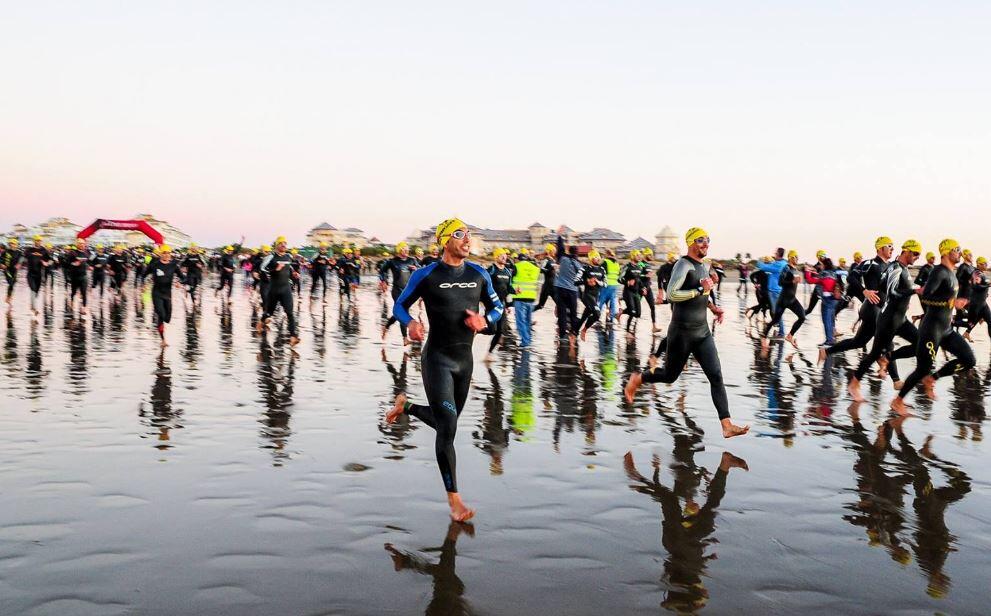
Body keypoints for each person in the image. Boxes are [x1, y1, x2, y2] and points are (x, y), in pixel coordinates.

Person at [385, 218, 503, 521]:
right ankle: (455, 500)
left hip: (464, 361)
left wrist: (485, 321)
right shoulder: (426, 275)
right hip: (437, 359)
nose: (467, 240)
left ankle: (406, 405)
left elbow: (498, 306)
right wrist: (410, 323)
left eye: (469, 235)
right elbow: (399, 305)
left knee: (444, 423)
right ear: (444, 241)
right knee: (448, 427)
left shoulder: (479, 273)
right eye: (460, 234)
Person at [624, 227, 749, 438]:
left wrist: (712, 307)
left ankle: (726, 425)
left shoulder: (704, 266)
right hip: (681, 333)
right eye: (701, 240)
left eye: (708, 240)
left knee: (716, 375)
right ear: (691, 243)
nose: (705, 243)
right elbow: (672, 294)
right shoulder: (683, 265)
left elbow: (703, 293)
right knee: (669, 376)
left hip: (702, 332)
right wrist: (700, 289)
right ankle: (638, 379)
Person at [890, 239, 976, 414]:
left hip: (946, 329)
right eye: (956, 249)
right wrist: (951, 302)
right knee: (923, 368)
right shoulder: (939, 272)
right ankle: (897, 401)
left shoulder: (953, 273)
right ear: (946, 252)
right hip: (931, 329)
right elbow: (926, 297)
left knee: (969, 360)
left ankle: (932, 379)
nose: (959, 252)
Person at [848, 240, 922, 401]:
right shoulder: (895, 268)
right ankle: (854, 383)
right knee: (873, 353)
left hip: (900, 319)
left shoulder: (903, 269)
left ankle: (887, 358)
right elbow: (893, 292)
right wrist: (914, 291)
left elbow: (885, 285)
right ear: (907, 251)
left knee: (919, 344)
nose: (917, 257)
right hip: (888, 318)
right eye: (915, 254)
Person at [819, 237, 893, 362]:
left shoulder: (890, 267)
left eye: (892, 246)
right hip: (872, 309)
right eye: (889, 246)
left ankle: (827, 352)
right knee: (887, 341)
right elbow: (851, 277)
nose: (892, 249)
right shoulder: (870, 264)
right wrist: (864, 291)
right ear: (880, 248)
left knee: (858, 342)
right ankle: (893, 376)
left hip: (881, 309)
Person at [256, 236, 300, 347]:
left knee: (290, 313)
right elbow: (262, 268)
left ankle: (293, 336)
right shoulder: (271, 256)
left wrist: (294, 273)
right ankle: (262, 321)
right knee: (269, 313)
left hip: (286, 289)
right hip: (274, 289)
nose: (284, 245)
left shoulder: (288, 256)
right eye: (281, 243)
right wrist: (275, 269)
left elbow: (289, 268)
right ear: (277, 245)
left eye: (285, 243)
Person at [760, 250, 806, 350]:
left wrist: (796, 280)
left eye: (797, 257)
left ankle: (790, 336)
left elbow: (794, 282)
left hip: (792, 299)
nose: (797, 258)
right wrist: (792, 281)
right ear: (791, 258)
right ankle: (764, 336)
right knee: (775, 320)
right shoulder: (786, 268)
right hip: (783, 300)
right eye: (796, 257)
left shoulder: (795, 269)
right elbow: (780, 282)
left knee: (802, 317)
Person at [380, 241, 420, 345]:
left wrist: (416, 269)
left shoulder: (412, 260)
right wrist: (384, 281)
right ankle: (405, 338)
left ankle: (386, 326)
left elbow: (421, 270)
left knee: (400, 313)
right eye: (404, 249)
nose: (406, 251)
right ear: (399, 250)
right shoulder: (392, 261)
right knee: (403, 312)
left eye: (407, 249)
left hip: (408, 290)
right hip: (397, 290)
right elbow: (382, 270)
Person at [145, 245, 186, 347]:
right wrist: (144, 283)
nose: (167, 255)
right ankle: (163, 340)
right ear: (160, 254)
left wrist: (180, 282)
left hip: (167, 294)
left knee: (167, 318)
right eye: (164, 253)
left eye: (168, 253)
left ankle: (160, 317)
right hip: (156, 293)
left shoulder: (174, 266)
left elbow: (184, 278)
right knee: (161, 315)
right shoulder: (154, 265)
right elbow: (143, 274)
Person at [485, 248, 515, 358]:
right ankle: (477, 330)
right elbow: (483, 285)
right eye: (501, 255)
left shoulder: (507, 272)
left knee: (500, 331)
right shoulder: (491, 270)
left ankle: (489, 353)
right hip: (491, 303)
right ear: (496, 257)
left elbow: (508, 288)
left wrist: (510, 303)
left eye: (505, 255)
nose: (504, 257)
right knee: (492, 330)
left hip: (501, 304)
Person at [804, 257, 841, 345]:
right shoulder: (833, 273)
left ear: (824, 265)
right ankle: (831, 338)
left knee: (826, 320)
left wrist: (807, 271)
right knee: (831, 319)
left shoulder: (824, 274)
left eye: (821, 264)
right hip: (835, 299)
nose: (820, 266)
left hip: (827, 300)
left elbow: (810, 280)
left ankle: (829, 340)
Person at [552, 237, 582, 343]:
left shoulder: (563, 259)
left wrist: (559, 237)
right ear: (577, 253)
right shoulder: (579, 264)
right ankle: (574, 332)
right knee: (573, 314)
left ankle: (563, 336)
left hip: (560, 289)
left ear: (568, 251)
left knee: (562, 313)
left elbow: (560, 249)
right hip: (573, 291)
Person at [511, 251, 540, 348]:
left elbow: (510, 280)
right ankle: (528, 340)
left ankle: (525, 342)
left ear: (518, 259)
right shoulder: (535, 268)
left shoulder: (517, 266)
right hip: (531, 298)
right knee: (528, 321)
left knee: (520, 321)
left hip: (520, 297)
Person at [756, 248, 788, 336]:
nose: (774, 254)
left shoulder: (778, 265)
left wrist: (759, 260)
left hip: (775, 291)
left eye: (775, 253)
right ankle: (779, 329)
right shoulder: (784, 263)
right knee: (776, 312)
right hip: (780, 290)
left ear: (778, 254)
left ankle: (781, 333)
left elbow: (763, 267)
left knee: (776, 312)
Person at [577, 250, 606, 341]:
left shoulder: (602, 270)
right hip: (587, 295)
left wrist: (597, 282)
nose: (598, 259)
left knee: (584, 316)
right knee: (597, 314)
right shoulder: (585, 268)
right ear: (591, 258)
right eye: (595, 257)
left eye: (598, 257)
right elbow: (576, 281)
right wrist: (587, 281)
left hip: (595, 296)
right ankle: (584, 330)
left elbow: (605, 284)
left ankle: (573, 332)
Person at [22, 235, 50, 318]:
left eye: (39, 241)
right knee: (33, 290)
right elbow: (23, 258)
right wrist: (20, 263)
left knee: (36, 292)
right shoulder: (29, 250)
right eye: (37, 240)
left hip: (39, 275)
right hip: (30, 274)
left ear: (41, 241)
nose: (38, 242)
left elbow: (50, 260)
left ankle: (32, 305)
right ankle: (35, 309)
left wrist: (47, 263)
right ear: (34, 241)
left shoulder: (44, 250)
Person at [963, 256, 989, 342]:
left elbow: (981, 286)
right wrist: (988, 285)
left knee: (989, 321)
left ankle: (967, 333)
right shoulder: (976, 273)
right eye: (985, 264)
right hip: (976, 303)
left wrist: (986, 292)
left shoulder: (981, 273)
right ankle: (952, 322)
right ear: (979, 264)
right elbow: (975, 286)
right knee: (971, 322)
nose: (986, 265)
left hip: (983, 303)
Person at [597, 248, 621, 323]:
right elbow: (619, 274)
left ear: (607, 254)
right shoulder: (617, 263)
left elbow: (600, 272)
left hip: (607, 285)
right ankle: (611, 317)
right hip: (615, 285)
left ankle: (596, 317)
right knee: (612, 301)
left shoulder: (606, 262)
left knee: (601, 301)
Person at [534, 243, 557, 312]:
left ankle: (563, 320)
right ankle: (525, 312)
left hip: (553, 285)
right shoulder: (546, 260)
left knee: (560, 304)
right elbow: (541, 270)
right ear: (550, 251)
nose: (555, 252)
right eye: (554, 250)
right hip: (547, 287)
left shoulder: (553, 260)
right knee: (540, 305)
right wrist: (550, 269)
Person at [2, 238, 23, 304]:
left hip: (14, 270)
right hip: (7, 269)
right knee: (11, 282)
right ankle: (9, 297)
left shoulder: (19, 252)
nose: (13, 245)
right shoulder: (5, 252)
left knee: (13, 284)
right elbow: (1, 259)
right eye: (11, 244)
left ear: (17, 245)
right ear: (9, 244)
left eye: (14, 244)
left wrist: (19, 264)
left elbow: (22, 258)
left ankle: (9, 296)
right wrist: (2, 264)